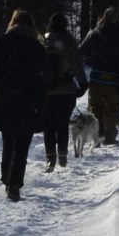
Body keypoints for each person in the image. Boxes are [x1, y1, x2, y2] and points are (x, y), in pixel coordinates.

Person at [0, 9, 51, 202]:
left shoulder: (1, 44)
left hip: (4, 101)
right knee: (22, 145)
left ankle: (7, 179)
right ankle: (14, 184)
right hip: (29, 103)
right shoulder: (36, 47)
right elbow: (47, 75)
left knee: (8, 142)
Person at [80, 4, 119, 144]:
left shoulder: (93, 34)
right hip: (114, 80)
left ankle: (97, 135)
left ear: (102, 18)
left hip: (95, 78)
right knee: (111, 109)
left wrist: (90, 60)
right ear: (116, 19)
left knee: (95, 107)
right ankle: (110, 137)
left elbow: (80, 52)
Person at [40, 11, 87, 170]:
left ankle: (50, 158)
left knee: (48, 125)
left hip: (46, 91)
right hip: (66, 90)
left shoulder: (43, 41)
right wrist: (83, 83)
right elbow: (76, 64)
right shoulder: (69, 42)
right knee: (62, 123)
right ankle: (62, 154)